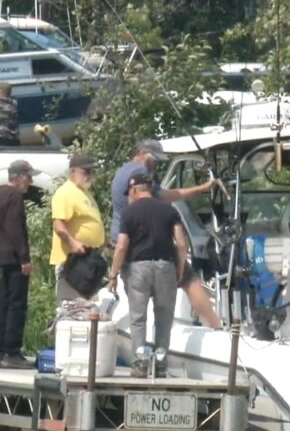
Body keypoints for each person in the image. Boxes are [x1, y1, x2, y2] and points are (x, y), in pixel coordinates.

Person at [109, 138, 223, 329]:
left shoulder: (122, 171)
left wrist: (202, 188)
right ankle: (216, 326)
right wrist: (202, 189)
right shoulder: (141, 173)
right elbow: (161, 201)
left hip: (121, 239)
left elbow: (165, 195)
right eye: (156, 160)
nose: (157, 165)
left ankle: (140, 340)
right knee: (189, 279)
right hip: (143, 242)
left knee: (137, 293)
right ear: (147, 156)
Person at [108, 171, 188, 378]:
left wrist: (113, 274)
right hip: (165, 266)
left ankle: (141, 363)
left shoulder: (129, 212)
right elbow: (181, 244)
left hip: (138, 268)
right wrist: (179, 271)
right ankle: (160, 363)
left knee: (138, 317)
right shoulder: (169, 211)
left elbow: (122, 245)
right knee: (163, 317)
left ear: (135, 189)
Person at [0, 160, 38, 369]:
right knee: (17, 305)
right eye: (28, 176)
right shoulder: (14, 196)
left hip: (0, 256)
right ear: (16, 177)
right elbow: (15, 228)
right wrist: (25, 258)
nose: (30, 181)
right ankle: (12, 352)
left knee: (2, 304)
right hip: (14, 259)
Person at [50, 153, 105, 303]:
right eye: (85, 171)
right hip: (73, 261)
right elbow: (58, 224)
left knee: (88, 308)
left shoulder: (84, 193)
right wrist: (73, 243)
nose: (89, 175)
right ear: (72, 172)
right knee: (71, 306)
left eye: (91, 171)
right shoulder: (65, 193)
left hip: (89, 260)